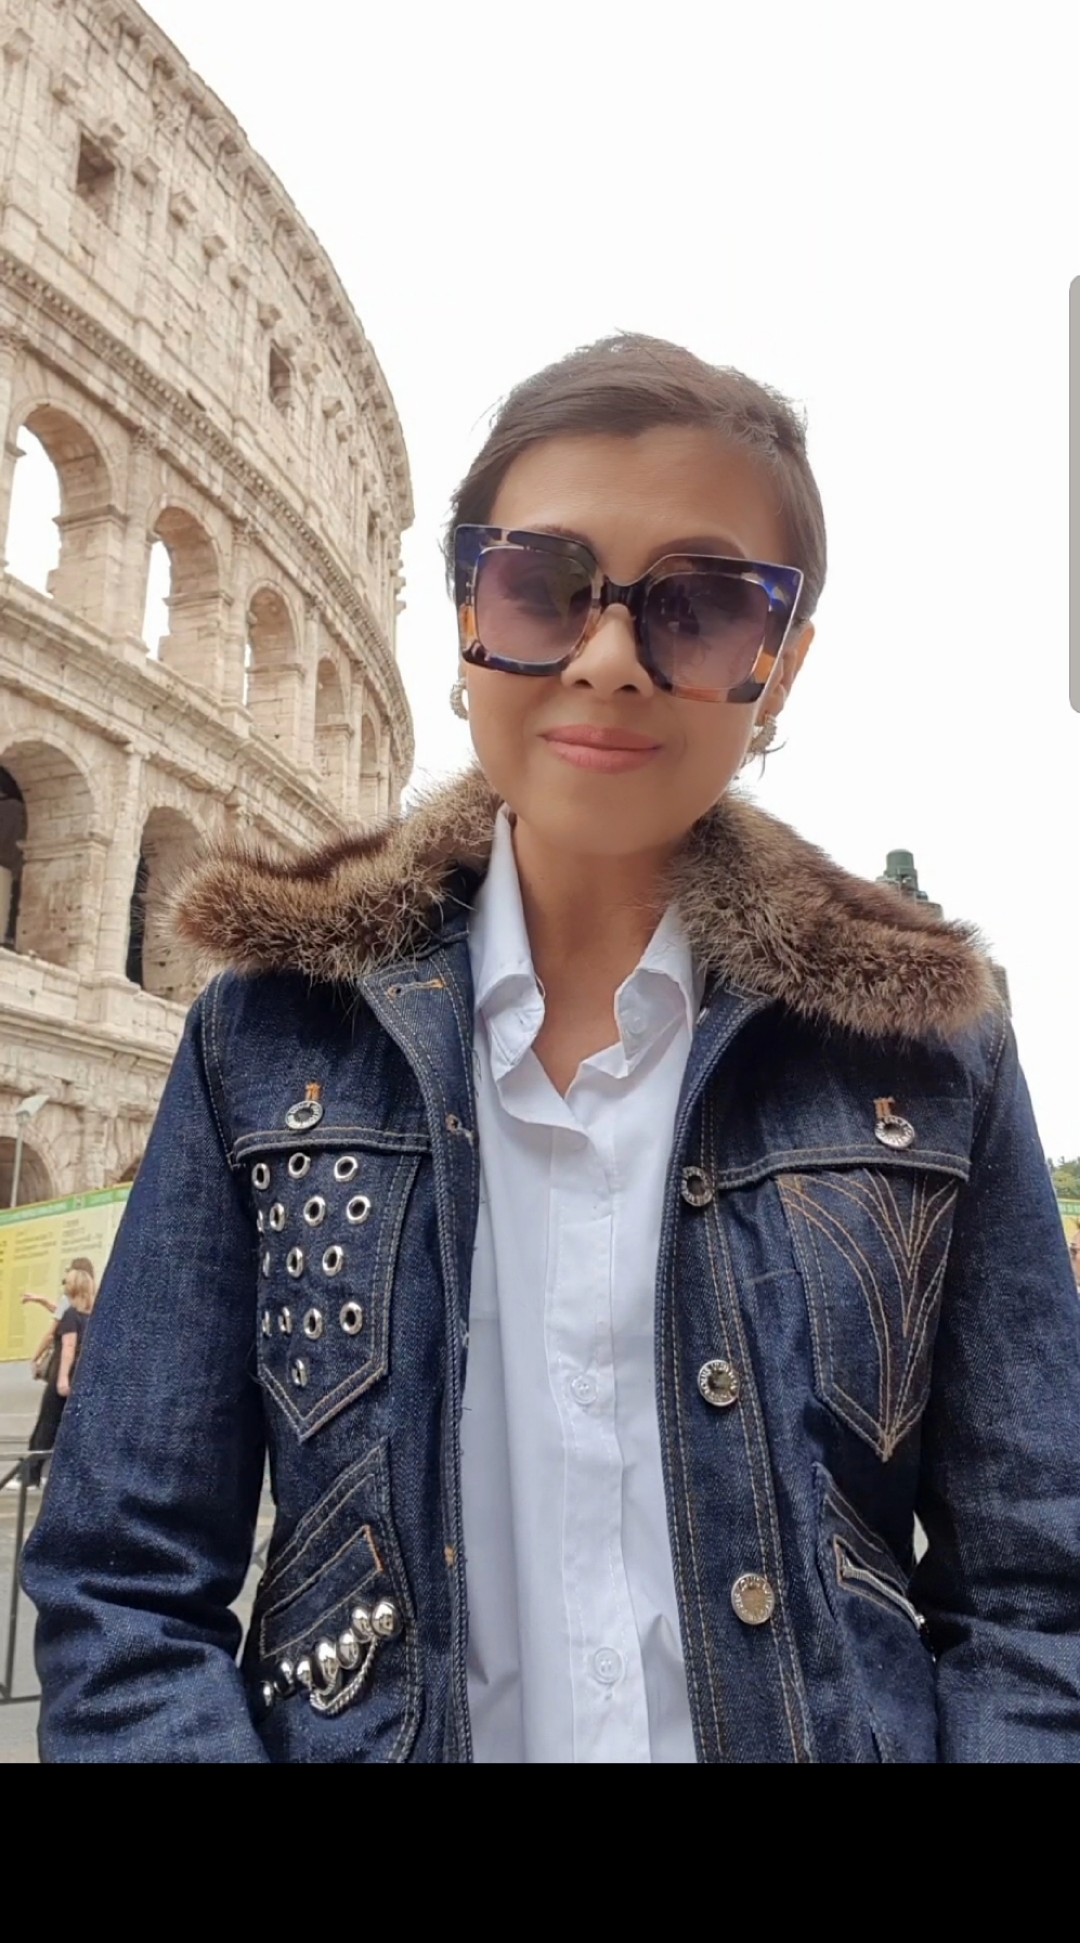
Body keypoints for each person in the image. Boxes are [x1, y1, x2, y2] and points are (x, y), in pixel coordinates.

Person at [22, 333, 1080, 1763]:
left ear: (778, 665)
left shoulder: (929, 1053)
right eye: (544, 586)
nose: (609, 659)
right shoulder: (266, 1040)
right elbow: (125, 1585)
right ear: (469, 612)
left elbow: (1040, 1601)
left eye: (701, 607)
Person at [24, 1261, 96, 1488]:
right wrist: (41, 1300)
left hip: (62, 1377)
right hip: (81, 1378)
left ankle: (31, 1476)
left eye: (67, 1281)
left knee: (47, 1424)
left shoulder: (71, 1314)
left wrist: (62, 1378)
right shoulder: (91, 1315)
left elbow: (68, 1347)